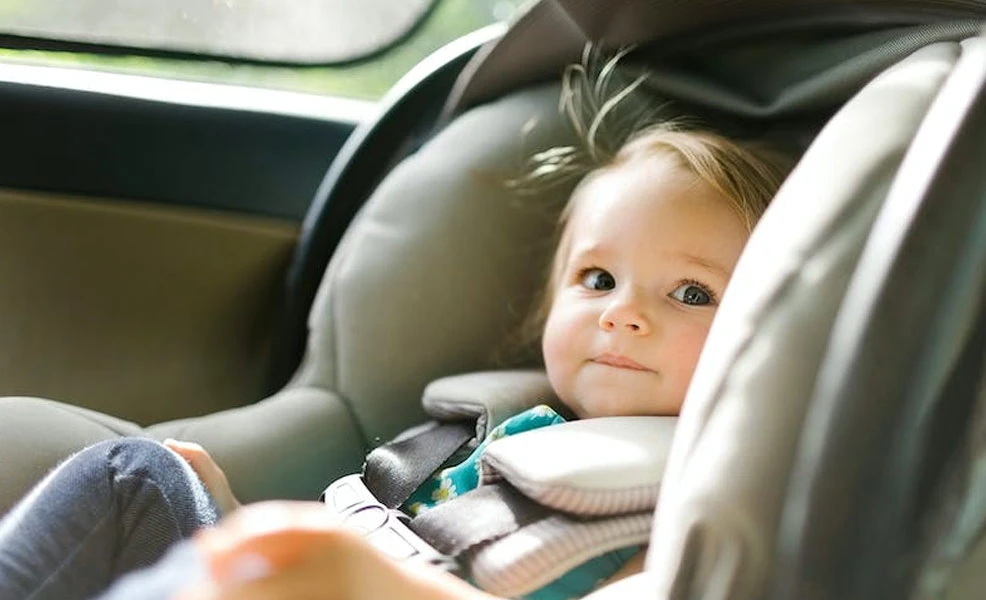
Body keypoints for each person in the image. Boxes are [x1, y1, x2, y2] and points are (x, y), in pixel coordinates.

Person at [0, 52, 791, 600]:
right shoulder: (495, 439)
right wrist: (238, 519)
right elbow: (379, 545)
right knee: (135, 475)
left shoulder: (709, 506)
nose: (622, 312)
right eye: (596, 279)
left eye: (691, 294)